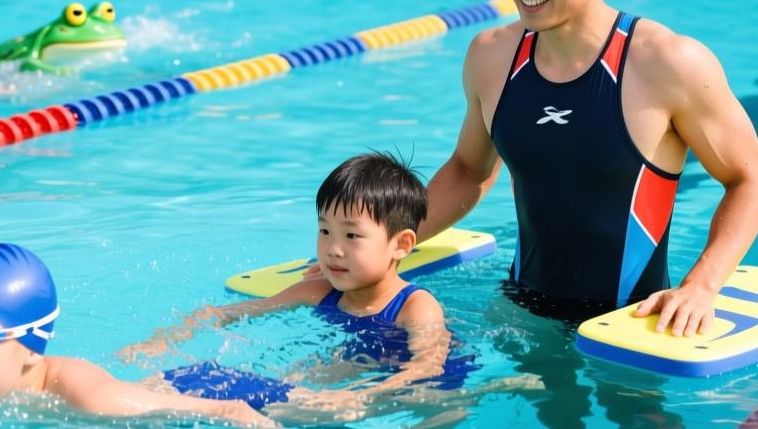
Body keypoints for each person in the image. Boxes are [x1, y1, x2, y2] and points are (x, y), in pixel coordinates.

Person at [420, 0, 758, 336]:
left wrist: (701, 286)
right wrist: (388, 242)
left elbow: (751, 180)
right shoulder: (491, 56)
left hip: (629, 329)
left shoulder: (667, 62)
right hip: (520, 316)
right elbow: (469, 171)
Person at [121, 153, 536, 410]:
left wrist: (357, 397)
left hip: (428, 381)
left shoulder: (415, 307)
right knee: (291, 382)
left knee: (430, 418)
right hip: (363, 359)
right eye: (324, 231)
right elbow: (229, 312)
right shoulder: (321, 290)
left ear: (401, 245)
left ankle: (493, 389)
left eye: (352, 236)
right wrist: (162, 340)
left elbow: (427, 366)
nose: (333, 249)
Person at [0, 242, 326, 429]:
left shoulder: (92, 399)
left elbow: (232, 410)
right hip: (166, 387)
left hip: (217, 391)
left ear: (31, 348)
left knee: (348, 408)